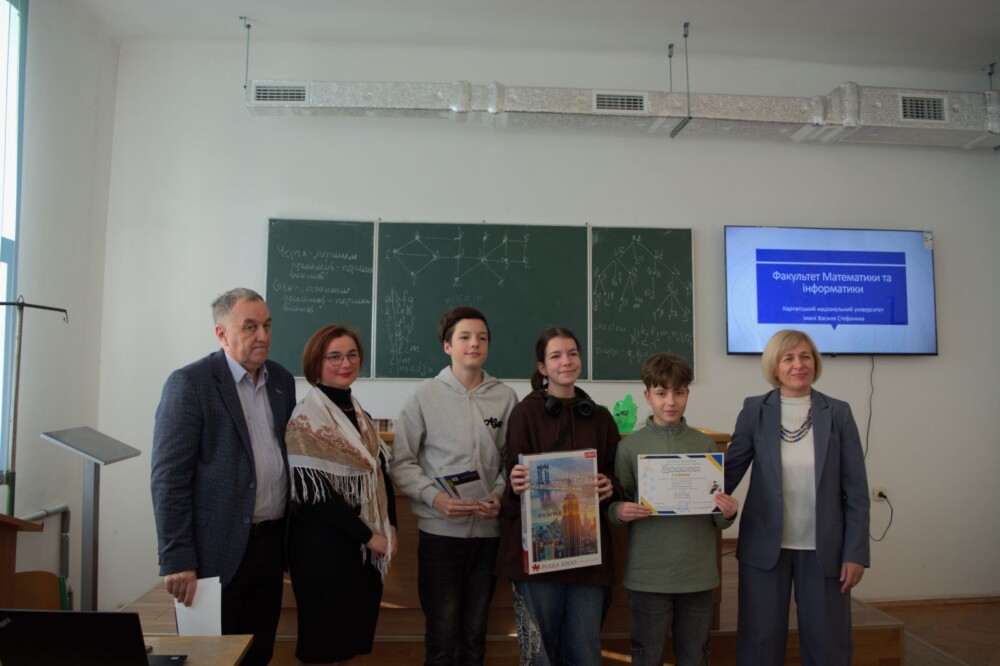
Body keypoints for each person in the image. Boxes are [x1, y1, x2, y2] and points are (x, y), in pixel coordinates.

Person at [151, 288, 296, 666]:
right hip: (212, 552)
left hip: (269, 547)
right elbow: (169, 479)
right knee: (209, 659)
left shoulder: (281, 380)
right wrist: (176, 557)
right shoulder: (191, 383)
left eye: (267, 325)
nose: (262, 335)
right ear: (221, 333)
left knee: (258, 652)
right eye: (250, 327)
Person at [725, 329, 870, 665]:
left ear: (815, 363)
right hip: (764, 548)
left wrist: (856, 553)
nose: (798, 364)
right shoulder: (754, 410)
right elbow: (728, 473)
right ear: (775, 367)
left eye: (805, 356)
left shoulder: (838, 412)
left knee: (827, 645)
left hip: (825, 550)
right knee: (760, 643)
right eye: (788, 358)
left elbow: (857, 491)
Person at [389, 306, 518, 665]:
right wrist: (435, 499)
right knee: (442, 635)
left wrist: (498, 494)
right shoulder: (425, 395)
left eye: (482, 337)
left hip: (488, 535)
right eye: (465, 337)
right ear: (447, 346)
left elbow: (511, 461)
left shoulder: (505, 397)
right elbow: (401, 461)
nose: (474, 343)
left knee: (475, 634)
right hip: (440, 534)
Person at [498, 326, 620, 666]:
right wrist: (516, 484)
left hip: (589, 559)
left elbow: (616, 477)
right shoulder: (525, 413)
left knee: (585, 651)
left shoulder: (600, 417)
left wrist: (609, 486)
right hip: (537, 561)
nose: (566, 361)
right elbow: (510, 487)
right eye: (556, 356)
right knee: (540, 654)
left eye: (572, 354)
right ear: (542, 367)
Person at [609, 352, 739, 666]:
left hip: (697, 575)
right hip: (648, 576)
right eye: (661, 393)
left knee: (695, 656)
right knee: (647, 655)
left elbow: (717, 518)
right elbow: (615, 506)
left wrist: (729, 512)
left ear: (687, 394)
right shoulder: (629, 447)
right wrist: (619, 511)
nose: (670, 401)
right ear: (647, 396)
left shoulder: (706, 446)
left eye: (678, 393)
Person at [285, 324, 397, 664]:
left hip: (361, 553)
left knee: (350, 640)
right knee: (324, 644)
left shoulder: (360, 414)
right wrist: (370, 537)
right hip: (323, 550)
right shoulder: (305, 419)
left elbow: (378, 473)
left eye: (352, 355)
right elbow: (317, 497)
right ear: (315, 363)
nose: (345, 363)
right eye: (334, 356)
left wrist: (391, 527)